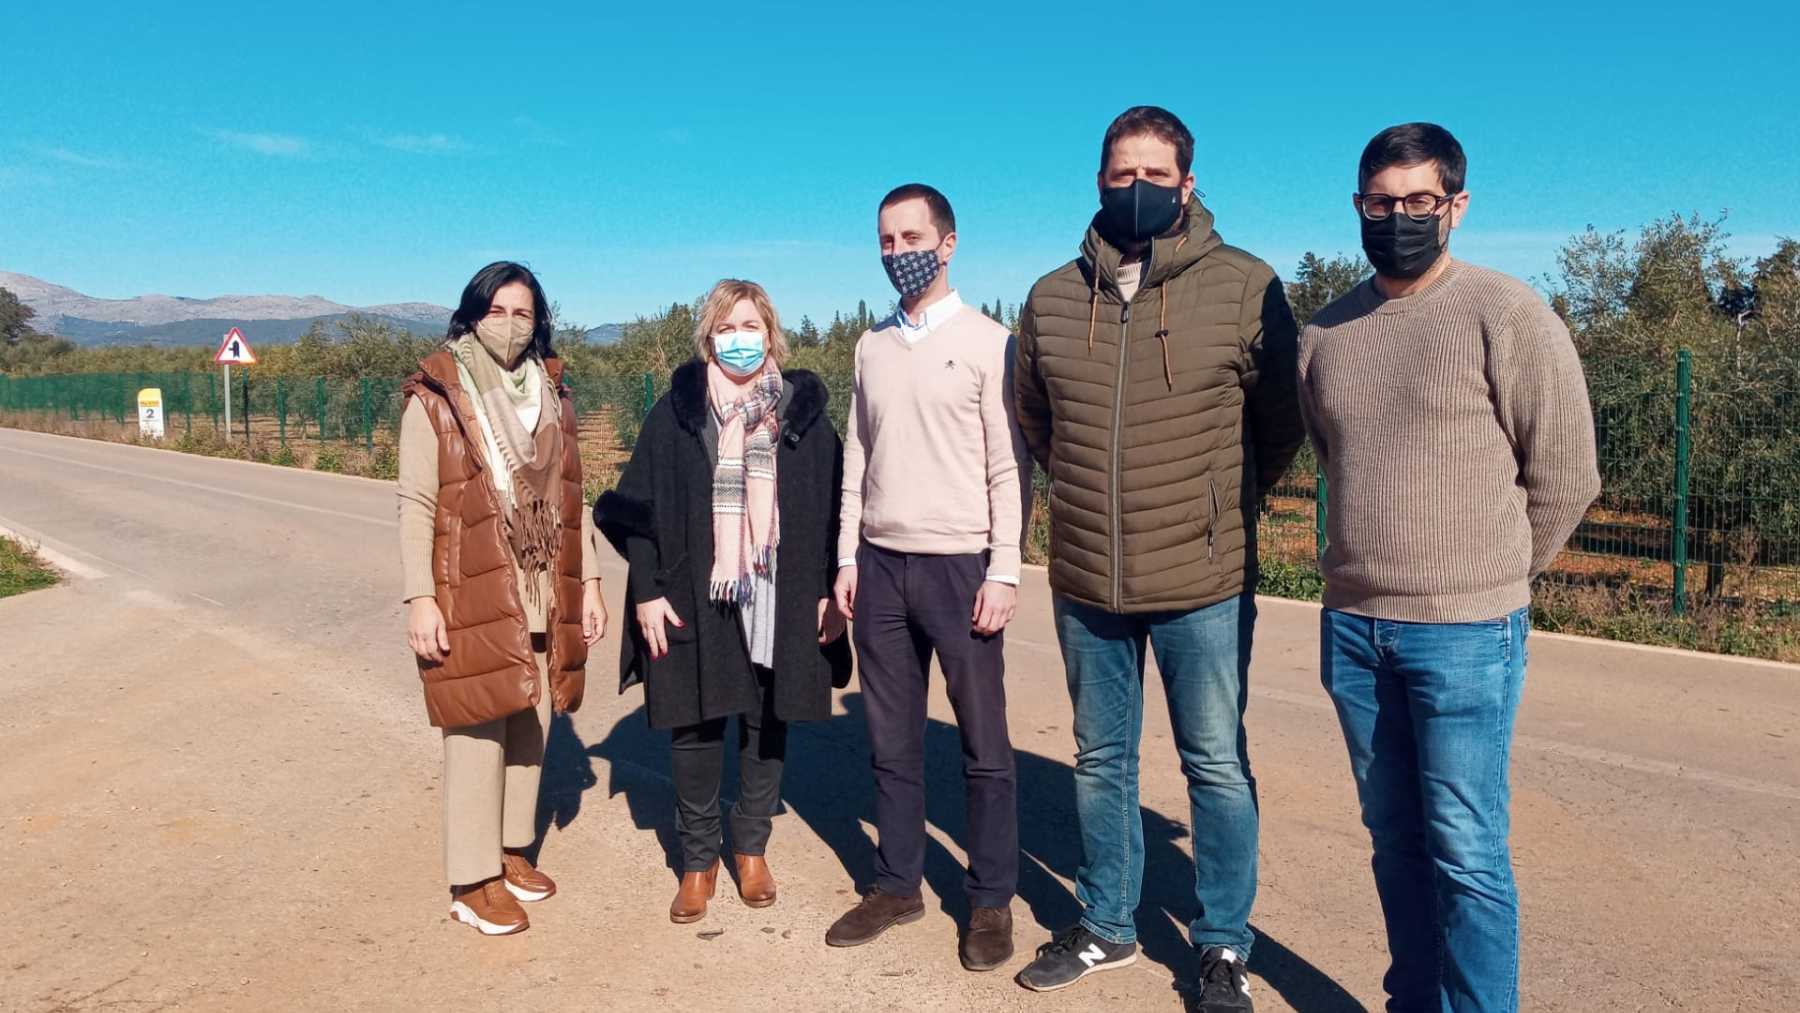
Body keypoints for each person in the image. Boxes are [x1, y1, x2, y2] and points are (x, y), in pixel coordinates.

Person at [1298, 123, 1599, 1013]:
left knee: (1466, 852)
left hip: (1468, 632)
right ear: (1358, 207)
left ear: (1456, 206)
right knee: (1393, 840)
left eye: (1417, 201)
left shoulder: (1507, 313)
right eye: (1379, 203)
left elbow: (1568, 475)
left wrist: (1493, 577)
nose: (1397, 217)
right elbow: (1332, 455)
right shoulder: (1324, 333)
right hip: (1353, 627)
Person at [1012, 106, 1304, 1012]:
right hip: (1089, 577)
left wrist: (1217, 508)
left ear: (1188, 183)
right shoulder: (1053, 297)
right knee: (1102, 759)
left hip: (1203, 580)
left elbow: (1281, 424)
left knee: (1214, 763)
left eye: (1153, 175)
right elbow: (1037, 418)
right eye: (1118, 175)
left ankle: (1222, 945)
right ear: (1098, 182)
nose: (1134, 189)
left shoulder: (1246, 285)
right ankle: (1107, 921)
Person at [595, 278, 850, 925]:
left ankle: (752, 847)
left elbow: (833, 508)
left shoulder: (802, 415)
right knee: (696, 722)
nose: (741, 339)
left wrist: (828, 592)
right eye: (727, 328)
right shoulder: (677, 412)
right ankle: (699, 858)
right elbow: (640, 509)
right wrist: (646, 592)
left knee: (770, 719)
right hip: (693, 592)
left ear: (772, 335)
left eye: (752, 326)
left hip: (778, 593)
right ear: (709, 336)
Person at [824, 183, 1030, 973]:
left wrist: (1004, 568)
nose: (897, 251)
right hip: (879, 565)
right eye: (885, 238)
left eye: (911, 236)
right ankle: (897, 883)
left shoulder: (988, 341)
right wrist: (847, 556)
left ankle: (989, 898)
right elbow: (859, 460)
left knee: (984, 746)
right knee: (891, 742)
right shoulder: (870, 346)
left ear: (947, 245)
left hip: (961, 566)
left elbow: (1009, 468)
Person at [397, 261, 608, 936]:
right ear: (471, 315)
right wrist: (419, 597)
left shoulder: (552, 392)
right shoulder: (437, 393)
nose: (510, 325)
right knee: (477, 724)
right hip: (476, 579)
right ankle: (472, 878)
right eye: (496, 311)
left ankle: (512, 848)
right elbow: (416, 503)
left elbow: (572, 497)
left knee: (535, 717)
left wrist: (593, 582)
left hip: (544, 577)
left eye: (523, 313)